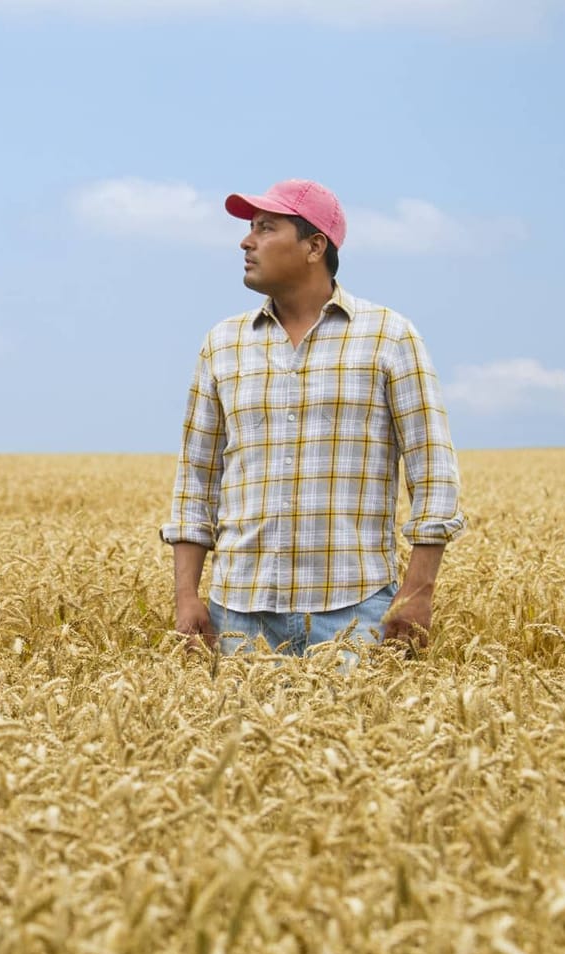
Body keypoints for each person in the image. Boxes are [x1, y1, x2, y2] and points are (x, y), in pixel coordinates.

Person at [159, 179, 465, 656]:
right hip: (238, 615)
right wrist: (185, 596)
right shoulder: (222, 343)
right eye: (249, 229)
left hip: (356, 612)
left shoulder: (389, 336)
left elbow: (434, 474)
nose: (246, 241)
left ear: (314, 246)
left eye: (265, 228)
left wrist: (417, 592)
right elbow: (195, 480)